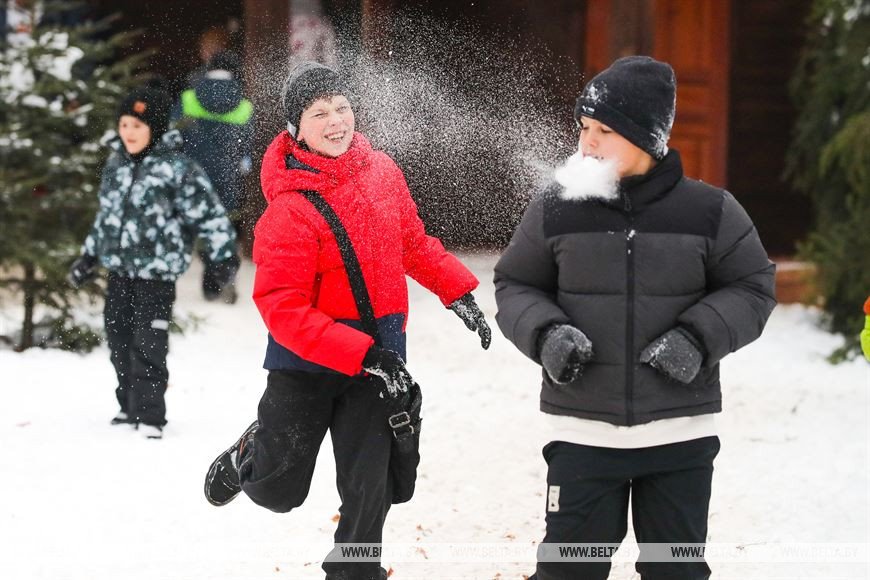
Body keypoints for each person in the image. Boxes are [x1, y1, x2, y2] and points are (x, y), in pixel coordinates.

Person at [202, 62, 491, 580]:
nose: (336, 121)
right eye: (319, 113)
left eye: (343, 108)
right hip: (306, 363)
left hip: (379, 357)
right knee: (277, 491)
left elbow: (411, 243)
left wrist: (457, 290)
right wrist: (360, 352)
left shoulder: (382, 172)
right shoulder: (288, 210)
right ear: (296, 126)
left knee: (372, 486)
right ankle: (253, 448)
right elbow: (282, 310)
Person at [493, 56, 777, 579]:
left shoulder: (711, 210)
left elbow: (753, 286)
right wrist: (546, 332)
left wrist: (697, 338)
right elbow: (515, 283)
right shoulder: (555, 208)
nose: (587, 142)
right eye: (583, 128)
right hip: (583, 435)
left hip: (679, 437)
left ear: (647, 138)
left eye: (604, 130)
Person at [68, 84, 238, 439]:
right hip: (119, 269)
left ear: (155, 128)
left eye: (137, 126)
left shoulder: (178, 170)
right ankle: (127, 405)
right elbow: (107, 217)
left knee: (148, 343)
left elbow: (211, 216)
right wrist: (89, 255)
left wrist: (222, 258)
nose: (128, 133)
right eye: (125, 124)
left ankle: (149, 415)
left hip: (156, 275)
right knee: (118, 339)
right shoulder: (115, 164)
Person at [174, 50, 252, 302]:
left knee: (198, 224)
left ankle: (207, 282)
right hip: (228, 176)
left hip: (193, 174)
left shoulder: (188, 99)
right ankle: (223, 276)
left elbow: (175, 135)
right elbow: (247, 145)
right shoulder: (244, 104)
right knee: (225, 227)